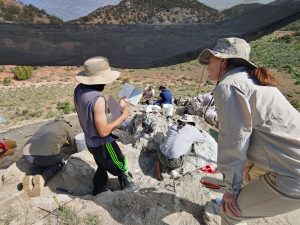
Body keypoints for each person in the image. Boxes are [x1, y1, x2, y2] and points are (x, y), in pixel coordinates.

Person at [198, 37, 300, 225]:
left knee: (229, 212)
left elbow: (234, 140)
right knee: (246, 174)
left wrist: (230, 190)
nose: (207, 66)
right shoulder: (250, 80)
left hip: (293, 175)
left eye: (211, 60)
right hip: (290, 162)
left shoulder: (229, 86)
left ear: (224, 61)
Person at [74, 56, 139, 195]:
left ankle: (98, 189)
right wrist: (123, 115)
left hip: (90, 141)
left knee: (101, 164)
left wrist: (115, 107)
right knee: (120, 163)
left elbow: (92, 112)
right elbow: (103, 132)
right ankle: (127, 185)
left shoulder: (79, 90)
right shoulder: (98, 98)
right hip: (103, 143)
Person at [22, 118, 74, 197]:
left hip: (27, 153)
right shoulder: (66, 126)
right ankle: (42, 179)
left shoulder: (47, 125)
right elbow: (72, 142)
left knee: (41, 161)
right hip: (43, 156)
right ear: (67, 123)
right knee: (59, 162)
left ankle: (31, 177)